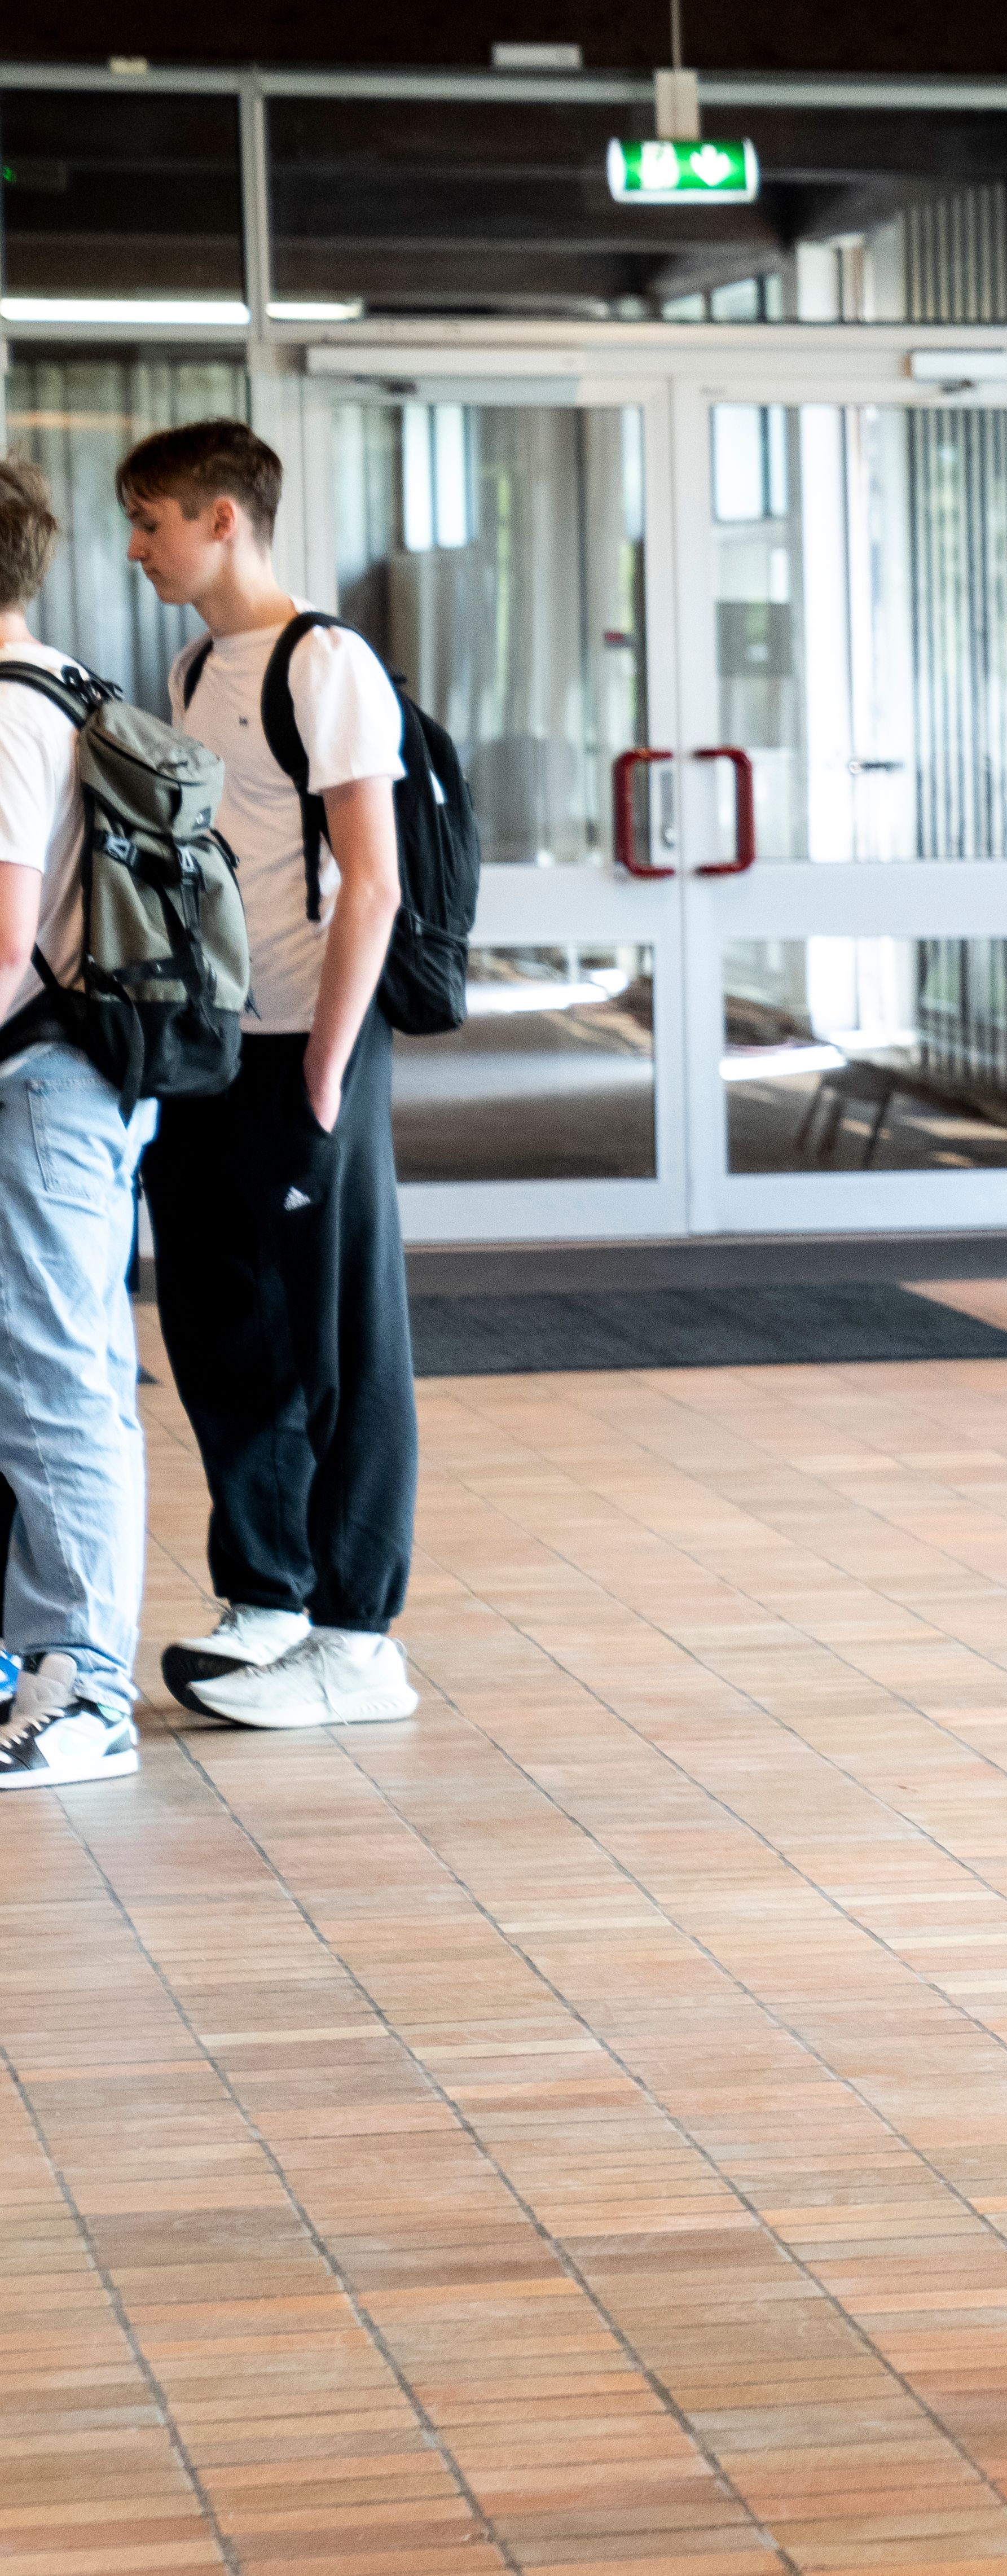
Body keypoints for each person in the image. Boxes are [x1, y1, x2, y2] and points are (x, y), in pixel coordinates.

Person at [118, 421, 421, 1730]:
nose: (139, 548)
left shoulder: (323, 662)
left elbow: (374, 881)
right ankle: (269, 1596)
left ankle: (359, 1641)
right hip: (216, 1049)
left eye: (154, 522)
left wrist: (330, 1068)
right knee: (219, 1325)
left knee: (339, 1342)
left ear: (224, 518)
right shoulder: (195, 668)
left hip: (312, 1045)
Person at [0, 453, 165, 1791]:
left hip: (39, 1086)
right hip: (73, 1084)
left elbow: (4, 940)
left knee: (54, 1388)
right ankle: (51, 1668)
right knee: (71, 1380)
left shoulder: (9, 709)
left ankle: (85, 1693)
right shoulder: (68, 683)